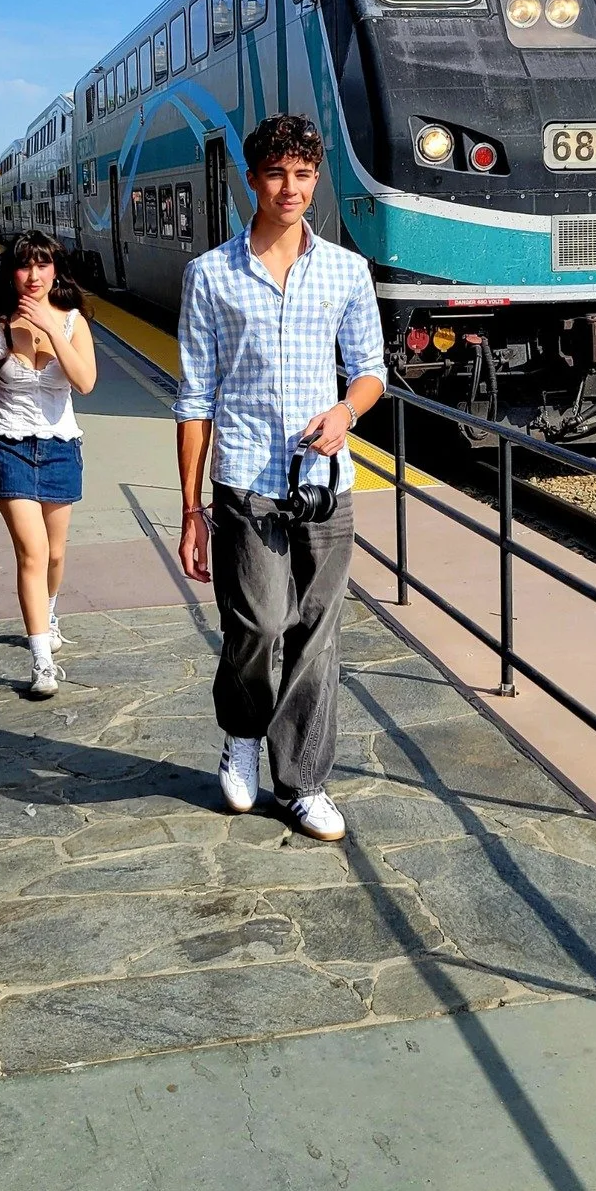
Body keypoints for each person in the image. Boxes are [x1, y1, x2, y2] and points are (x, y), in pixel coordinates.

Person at [175, 114, 386, 841]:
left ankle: (303, 782)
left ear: (315, 178)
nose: (289, 188)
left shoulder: (346, 271)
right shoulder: (210, 275)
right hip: (245, 478)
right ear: (252, 180)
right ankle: (242, 732)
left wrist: (346, 412)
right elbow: (195, 398)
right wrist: (191, 510)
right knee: (259, 623)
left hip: (325, 483)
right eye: (275, 174)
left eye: (302, 174)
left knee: (316, 633)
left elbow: (370, 371)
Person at [0, 229, 97, 697]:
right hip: (8, 446)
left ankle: (48, 613)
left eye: (42, 264)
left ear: (55, 271)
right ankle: (41, 659)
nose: (33, 275)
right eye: (24, 265)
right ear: (11, 272)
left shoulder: (73, 323)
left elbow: (85, 382)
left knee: (55, 553)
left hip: (60, 448)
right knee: (32, 551)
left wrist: (49, 327)